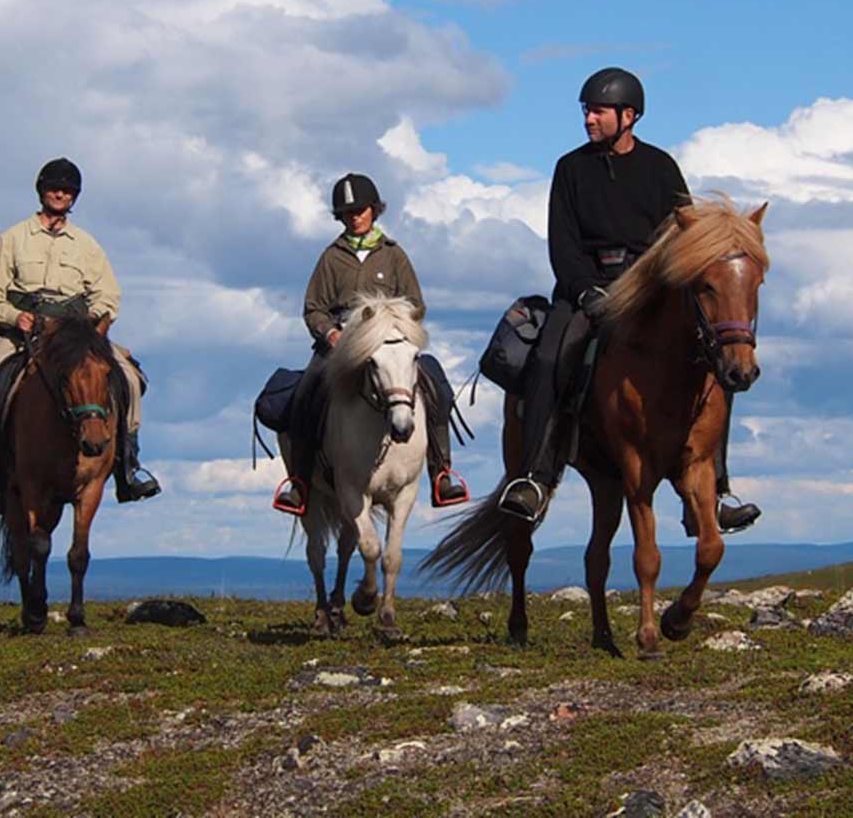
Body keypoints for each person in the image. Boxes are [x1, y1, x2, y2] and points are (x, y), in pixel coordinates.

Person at [497, 68, 763, 533]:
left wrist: (651, 285)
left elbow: (679, 236)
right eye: (586, 111)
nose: (588, 120)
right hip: (586, 291)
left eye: (597, 111)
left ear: (629, 116)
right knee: (546, 357)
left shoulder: (661, 168)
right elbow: (562, 243)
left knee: (715, 363)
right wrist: (584, 290)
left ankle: (716, 490)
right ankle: (534, 478)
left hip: (646, 290)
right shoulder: (570, 169)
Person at [0, 157, 161, 515]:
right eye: (55, 188)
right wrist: (14, 315)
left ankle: (129, 467)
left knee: (128, 376)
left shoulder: (86, 244)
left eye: (67, 190)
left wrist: (96, 321)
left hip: (76, 334)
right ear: (42, 191)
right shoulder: (12, 238)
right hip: (23, 332)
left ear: (74, 197)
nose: (60, 194)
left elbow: (107, 293)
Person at [273, 173, 468, 516]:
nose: (355, 216)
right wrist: (330, 333)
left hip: (389, 342)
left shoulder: (394, 255)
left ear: (374, 210)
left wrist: (396, 322)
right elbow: (313, 307)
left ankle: (442, 472)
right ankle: (300, 484)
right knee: (305, 394)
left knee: (437, 386)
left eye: (360, 209)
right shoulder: (331, 257)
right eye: (347, 212)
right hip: (340, 347)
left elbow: (416, 303)